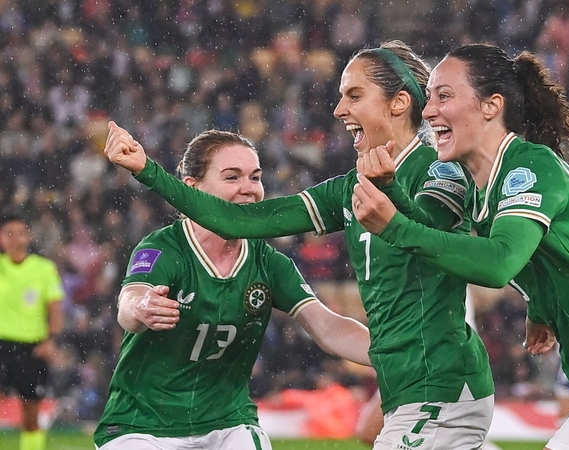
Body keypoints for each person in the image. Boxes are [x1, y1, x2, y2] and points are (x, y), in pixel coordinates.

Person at [103, 41, 498, 449]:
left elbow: (433, 236)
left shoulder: (439, 169)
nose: (339, 110)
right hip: (411, 382)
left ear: (398, 103)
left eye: (354, 96)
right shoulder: (351, 187)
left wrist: (391, 192)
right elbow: (238, 221)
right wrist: (147, 170)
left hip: (442, 379)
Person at [351, 43, 569, 450]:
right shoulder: (484, 186)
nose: (429, 110)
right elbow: (551, 251)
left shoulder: (529, 167)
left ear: (491, 105)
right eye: (430, 96)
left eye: (444, 95)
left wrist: (395, 227)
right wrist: (541, 305)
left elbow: (498, 263)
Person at [93, 129, 371, 450]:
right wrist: (142, 308)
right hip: (143, 423)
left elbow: (328, 327)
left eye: (255, 177)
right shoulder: (165, 247)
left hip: (228, 423)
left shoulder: (268, 262)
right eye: (232, 177)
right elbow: (128, 305)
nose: (248, 189)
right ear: (192, 188)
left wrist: (397, 354)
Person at [0, 213, 64, 450]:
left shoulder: (43, 269)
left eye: (20, 233)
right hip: (1, 344)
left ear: (28, 236)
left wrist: (51, 340)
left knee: (30, 413)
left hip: (31, 347)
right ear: (2, 239)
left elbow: (55, 309)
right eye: (9, 233)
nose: (16, 238)